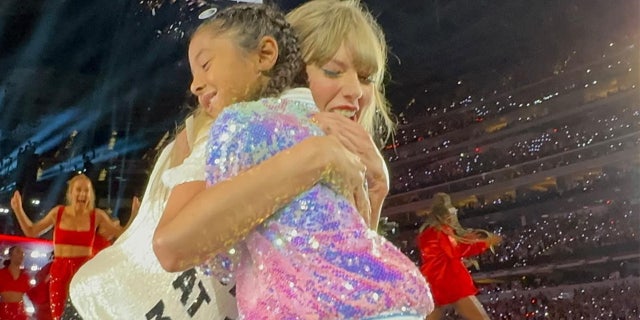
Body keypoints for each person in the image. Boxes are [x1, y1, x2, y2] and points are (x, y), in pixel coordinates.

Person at [152, 1, 433, 318]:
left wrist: (376, 191)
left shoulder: (335, 152)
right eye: (332, 70)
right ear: (287, 69)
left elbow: (337, 275)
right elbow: (172, 247)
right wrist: (316, 155)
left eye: (367, 78)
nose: (356, 90)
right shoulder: (242, 131)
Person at [63, 112, 237, 320]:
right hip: (108, 303)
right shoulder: (211, 134)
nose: (196, 85)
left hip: (110, 291)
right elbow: (167, 245)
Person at [10, 174, 131, 319]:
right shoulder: (58, 212)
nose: (82, 194)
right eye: (78, 190)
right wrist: (18, 209)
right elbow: (31, 231)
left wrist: (135, 214)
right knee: (59, 315)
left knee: (83, 314)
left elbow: (122, 233)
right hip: (60, 271)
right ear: (71, 193)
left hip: (83, 271)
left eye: (86, 191)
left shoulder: (97, 215)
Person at [416, 192, 503, 320]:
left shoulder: (425, 234)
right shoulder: (442, 231)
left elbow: (440, 256)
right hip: (450, 281)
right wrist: (485, 243)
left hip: (433, 282)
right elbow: (456, 251)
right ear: (445, 215)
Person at [0, 246, 31, 320]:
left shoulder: (25, 276)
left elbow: (32, 294)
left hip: (20, 312)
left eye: (23, 253)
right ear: (10, 255)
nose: (21, 254)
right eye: (18, 252)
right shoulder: (2, 274)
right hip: (4, 311)